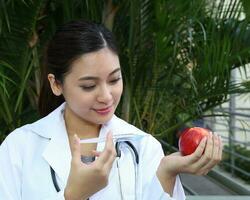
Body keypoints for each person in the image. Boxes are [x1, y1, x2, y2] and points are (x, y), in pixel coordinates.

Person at [0, 20, 222, 200]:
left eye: (114, 79)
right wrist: (74, 196)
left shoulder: (143, 147)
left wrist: (166, 172)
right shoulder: (19, 148)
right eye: (89, 86)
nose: (106, 96)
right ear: (56, 84)